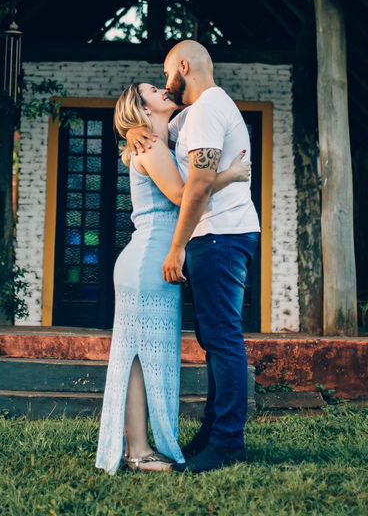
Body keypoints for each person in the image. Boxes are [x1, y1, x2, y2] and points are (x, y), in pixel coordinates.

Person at [94, 81, 251, 475]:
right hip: (149, 259)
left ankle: (140, 449)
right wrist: (231, 174)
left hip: (154, 259)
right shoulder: (151, 146)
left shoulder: (165, 138)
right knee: (139, 357)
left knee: (142, 356)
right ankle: (138, 451)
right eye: (152, 90)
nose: (164, 88)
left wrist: (131, 129)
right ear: (142, 108)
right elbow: (184, 195)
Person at [126, 40, 261, 474]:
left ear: (183, 66)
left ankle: (227, 442)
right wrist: (130, 129)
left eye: (167, 75)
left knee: (223, 339)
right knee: (214, 339)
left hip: (221, 235)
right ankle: (210, 433)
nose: (166, 85)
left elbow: (198, 185)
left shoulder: (205, 110)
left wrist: (177, 246)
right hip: (219, 235)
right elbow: (152, 131)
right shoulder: (194, 113)